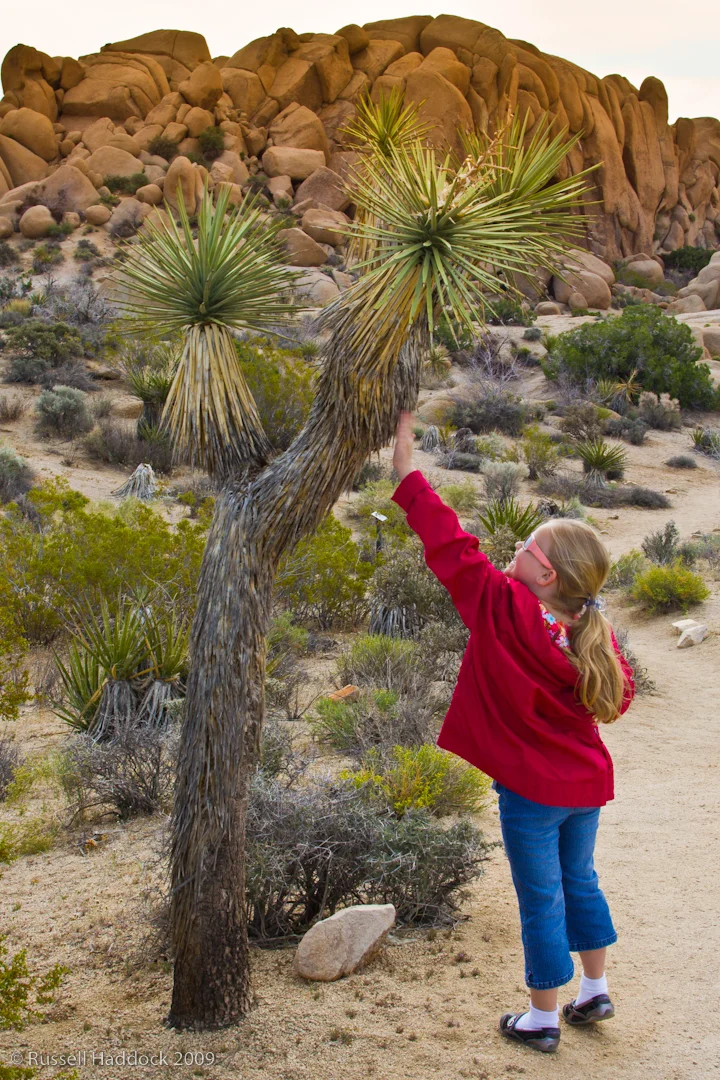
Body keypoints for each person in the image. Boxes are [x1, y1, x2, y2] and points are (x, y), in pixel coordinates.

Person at [391, 411, 635, 1054]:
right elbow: (620, 693)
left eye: (528, 547)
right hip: (584, 786)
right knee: (580, 881)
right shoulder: (588, 631)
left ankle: (543, 1018)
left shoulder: (501, 607)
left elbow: (452, 547)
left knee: (541, 897)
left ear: (545, 574)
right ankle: (595, 988)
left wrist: (408, 475)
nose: (515, 550)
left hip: (532, 792)